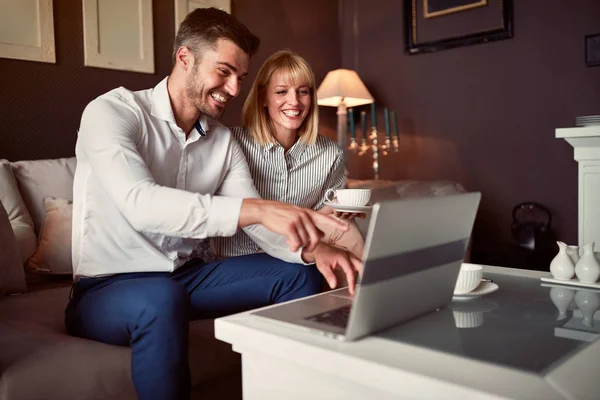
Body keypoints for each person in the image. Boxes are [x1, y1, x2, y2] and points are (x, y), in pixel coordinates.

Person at [65, 8, 360, 400]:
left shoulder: (222, 141)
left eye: (240, 77)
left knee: (300, 277)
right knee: (160, 298)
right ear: (184, 58)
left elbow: (258, 224)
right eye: (224, 72)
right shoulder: (113, 113)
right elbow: (140, 202)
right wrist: (257, 209)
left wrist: (316, 251)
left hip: (186, 277)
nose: (234, 89)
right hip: (107, 288)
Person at [213, 49, 365, 271]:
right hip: (241, 259)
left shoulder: (331, 154)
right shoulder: (233, 143)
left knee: (345, 228)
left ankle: (366, 295)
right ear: (263, 97)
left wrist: (340, 211)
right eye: (282, 91)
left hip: (300, 249)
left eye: (302, 92)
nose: (294, 101)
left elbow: (323, 217)